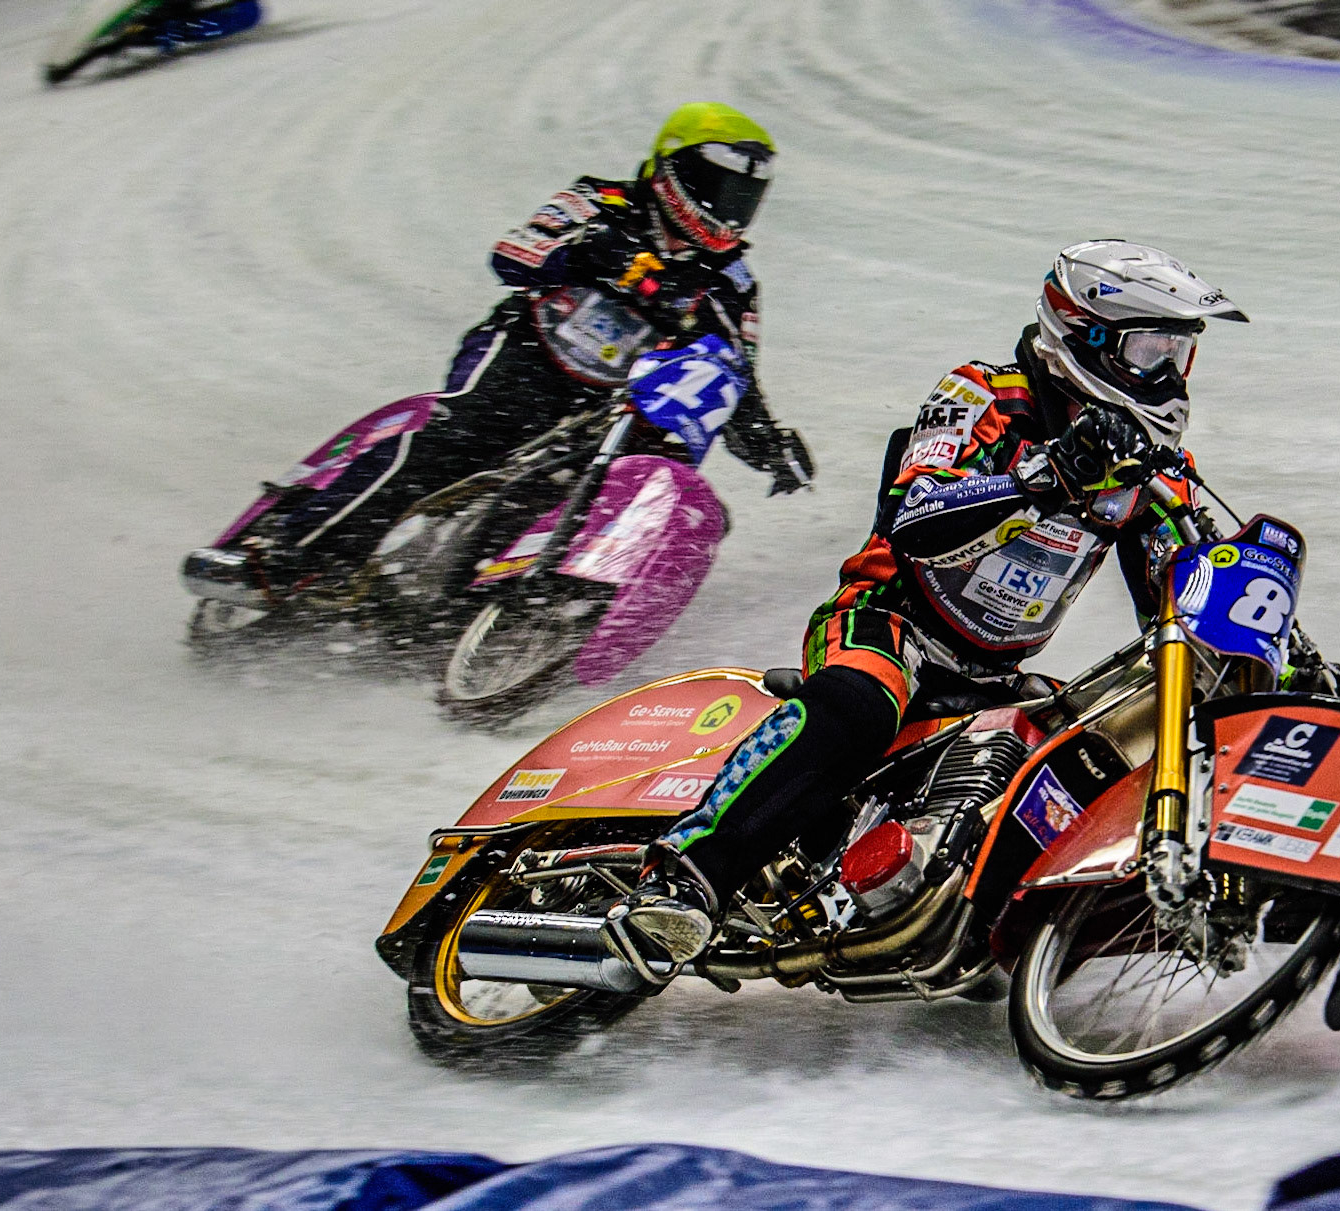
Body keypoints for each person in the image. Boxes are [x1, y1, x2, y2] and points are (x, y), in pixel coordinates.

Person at [611, 239, 1260, 967]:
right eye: (1150, 351)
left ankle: (1008, 925)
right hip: (890, 619)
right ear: (1084, 337)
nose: (1167, 375)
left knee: (1093, 736)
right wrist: (1046, 477)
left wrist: (1267, 654)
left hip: (990, 672)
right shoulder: (983, 395)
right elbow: (918, 520)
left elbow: (1177, 594)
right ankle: (681, 876)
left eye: (1178, 353)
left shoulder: (1149, 465)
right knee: (862, 702)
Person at [253, 101, 813, 593]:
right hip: (527, 354)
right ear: (673, 171)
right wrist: (614, 262)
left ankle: (476, 599)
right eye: (718, 187)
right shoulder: (600, 200)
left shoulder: (733, 281)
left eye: (744, 196)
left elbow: (731, 371)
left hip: (609, 406)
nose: (730, 208)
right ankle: (296, 550)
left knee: (568, 493)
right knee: (450, 442)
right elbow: (512, 254)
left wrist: (768, 442)